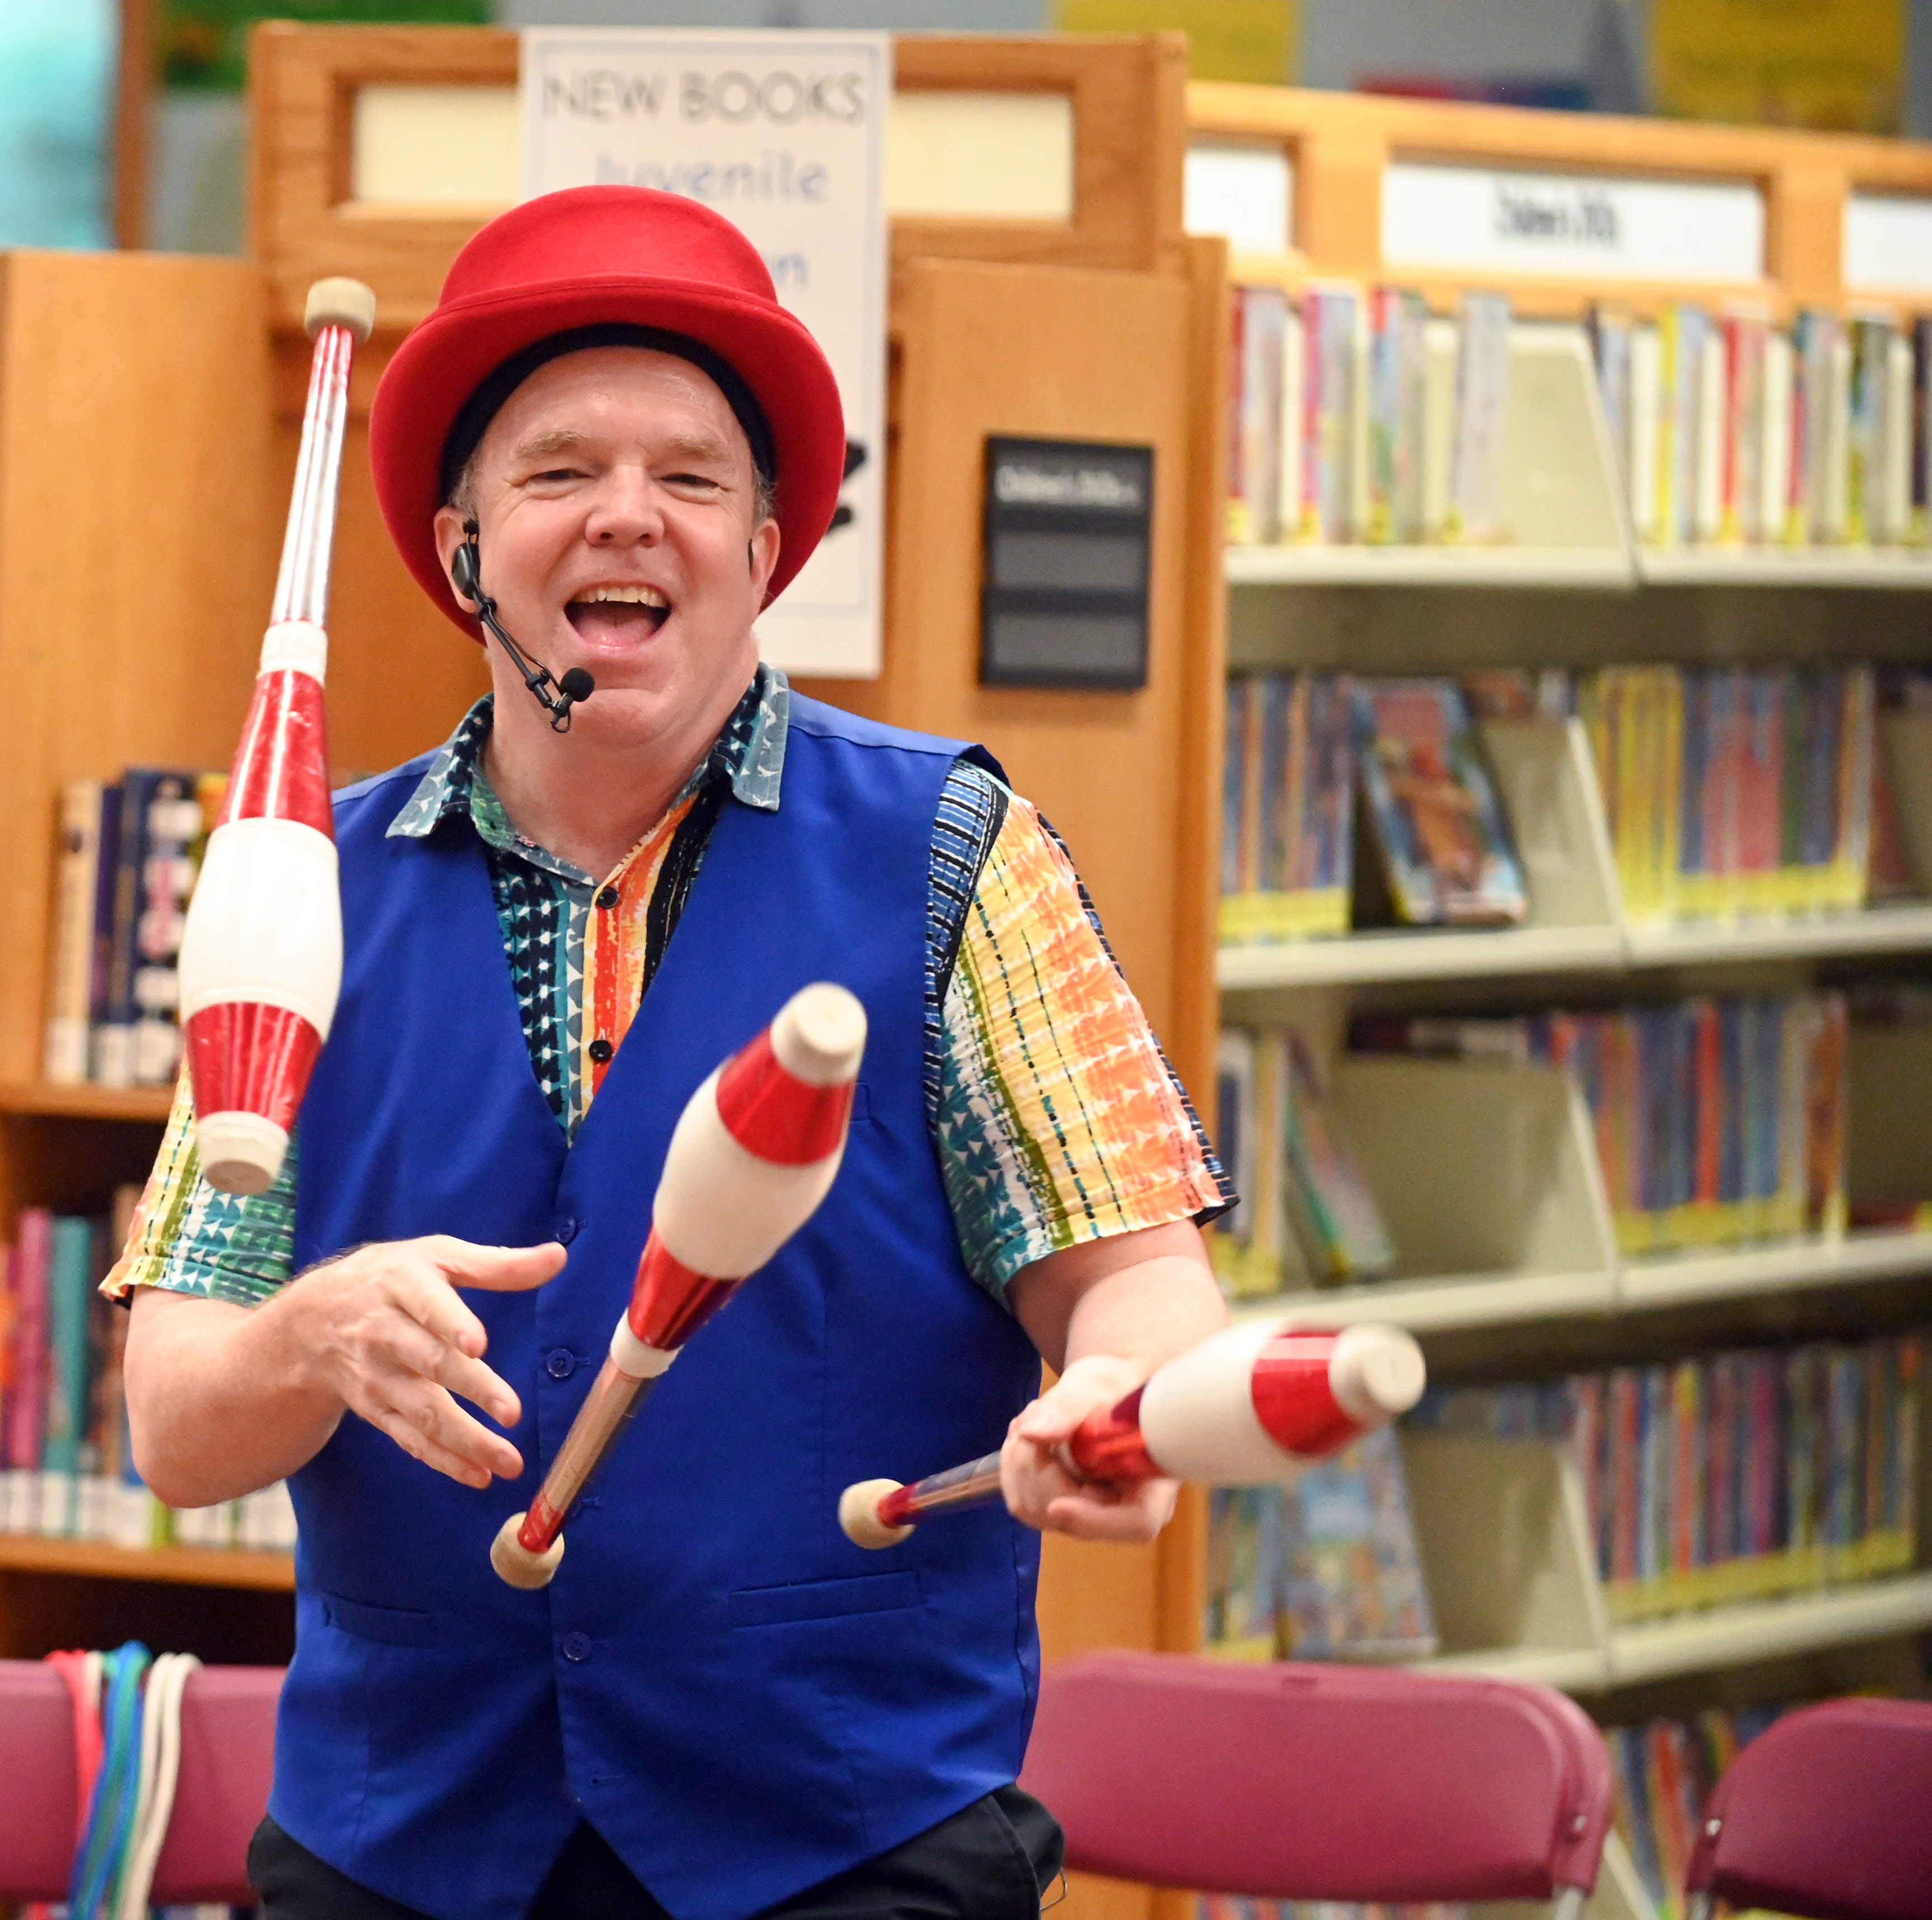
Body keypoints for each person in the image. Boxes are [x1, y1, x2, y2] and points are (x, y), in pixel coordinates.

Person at [109, 185, 1231, 1920]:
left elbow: (1133, 1275)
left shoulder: (951, 852)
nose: (627, 517)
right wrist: (313, 1334)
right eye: (558, 473)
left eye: (690, 479)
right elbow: (178, 1429)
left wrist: (1120, 1397)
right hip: (400, 1851)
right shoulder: (293, 885)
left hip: (842, 1847)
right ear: (462, 542)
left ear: (766, 545)